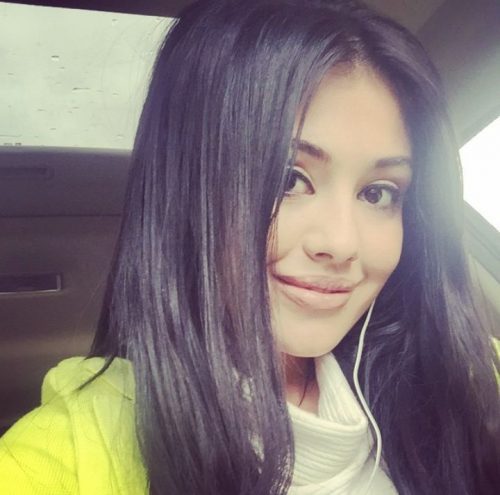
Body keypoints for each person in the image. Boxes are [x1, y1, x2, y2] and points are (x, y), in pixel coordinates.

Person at [1, 0, 499, 494]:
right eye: (289, 179)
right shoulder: (62, 454)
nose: (342, 243)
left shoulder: (471, 378)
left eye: (378, 193)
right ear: (188, 192)